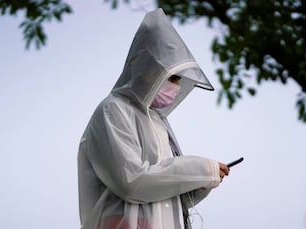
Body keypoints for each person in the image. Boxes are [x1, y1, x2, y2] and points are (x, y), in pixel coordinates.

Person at [77, 8, 230, 229]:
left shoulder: (157, 121)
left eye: (178, 80)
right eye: (172, 78)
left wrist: (202, 184)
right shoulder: (113, 110)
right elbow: (133, 182)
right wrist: (202, 170)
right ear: (146, 69)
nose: (175, 87)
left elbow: (163, 195)